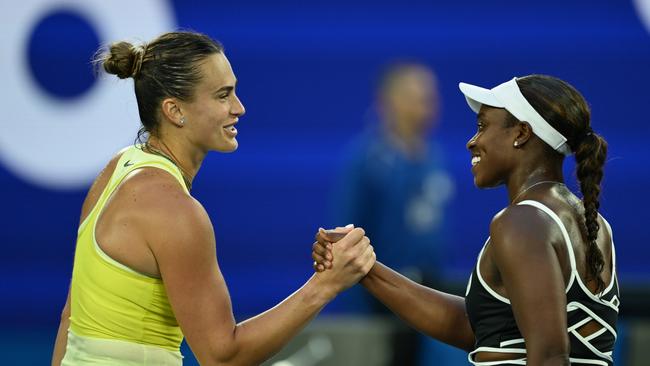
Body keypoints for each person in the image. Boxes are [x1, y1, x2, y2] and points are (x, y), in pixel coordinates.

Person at [51, 31, 376, 366]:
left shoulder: (117, 168)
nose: (239, 108)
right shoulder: (174, 211)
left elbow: (70, 318)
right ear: (175, 111)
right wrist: (326, 285)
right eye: (223, 96)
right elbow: (222, 356)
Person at [314, 75, 619, 365]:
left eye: (483, 126)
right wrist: (363, 267)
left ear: (521, 134)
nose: (472, 142)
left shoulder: (521, 222)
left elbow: (550, 356)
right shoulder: (591, 223)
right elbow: (480, 327)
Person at [330, 62, 455, 365]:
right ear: (389, 102)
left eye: (431, 98)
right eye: (417, 98)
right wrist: (361, 306)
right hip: (381, 298)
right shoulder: (366, 161)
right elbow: (346, 233)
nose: (427, 106)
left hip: (426, 292)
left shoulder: (434, 156)